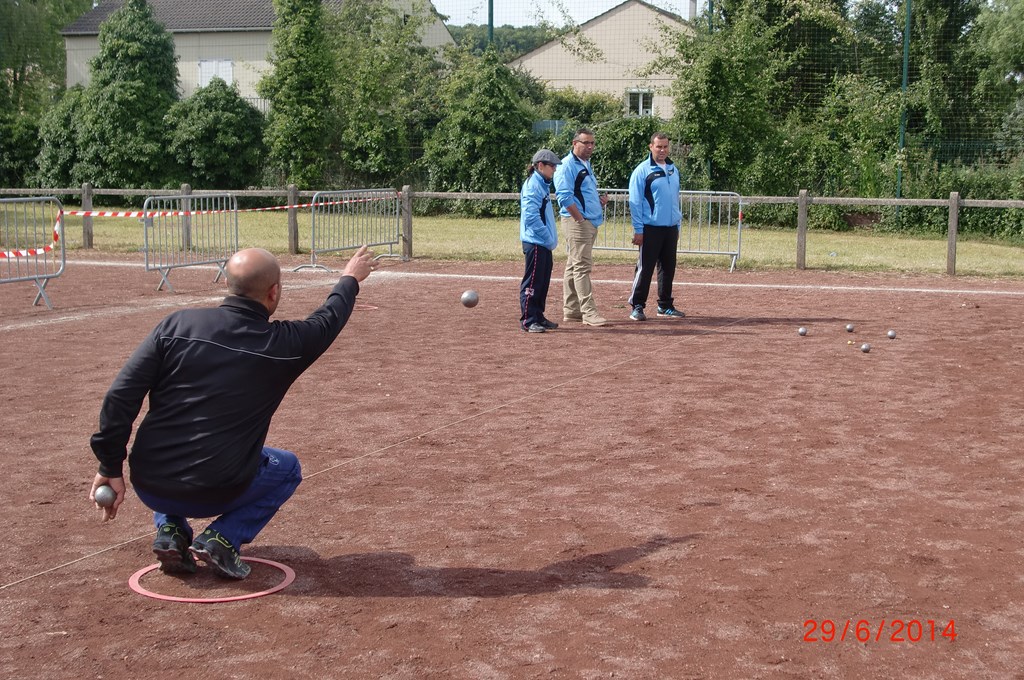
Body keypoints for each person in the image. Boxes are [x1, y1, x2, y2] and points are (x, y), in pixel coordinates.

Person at [88, 245, 374, 579]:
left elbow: (120, 396)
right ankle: (223, 538)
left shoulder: (175, 325)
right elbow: (327, 319)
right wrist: (349, 278)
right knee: (287, 468)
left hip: (150, 484)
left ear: (228, 284)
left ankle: (171, 531)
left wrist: (109, 465)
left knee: (173, 442)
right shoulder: (283, 344)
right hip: (219, 490)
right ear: (274, 292)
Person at [627, 132, 686, 321]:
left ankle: (665, 305)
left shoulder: (672, 169)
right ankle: (637, 306)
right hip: (650, 227)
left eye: (665, 146)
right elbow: (635, 202)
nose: (662, 150)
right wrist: (638, 229)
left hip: (670, 228)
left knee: (668, 267)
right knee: (645, 268)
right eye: (658, 146)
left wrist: (677, 225)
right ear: (650, 147)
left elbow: (675, 198)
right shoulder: (642, 171)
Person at [554, 128, 609, 327]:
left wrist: (598, 201)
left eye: (592, 143)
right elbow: (564, 196)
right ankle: (588, 312)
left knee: (573, 265)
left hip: (588, 221)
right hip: (578, 222)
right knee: (581, 267)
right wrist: (580, 219)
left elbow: (581, 193)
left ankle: (572, 311)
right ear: (574, 143)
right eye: (586, 143)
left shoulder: (584, 164)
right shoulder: (567, 165)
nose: (590, 147)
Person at [519, 149, 561, 333]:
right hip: (535, 241)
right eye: (552, 166)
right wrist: (547, 236)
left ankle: (538, 315)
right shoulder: (533, 185)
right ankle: (528, 319)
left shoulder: (542, 183)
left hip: (542, 242)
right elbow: (531, 217)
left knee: (542, 281)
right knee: (533, 282)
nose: (554, 169)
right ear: (540, 166)